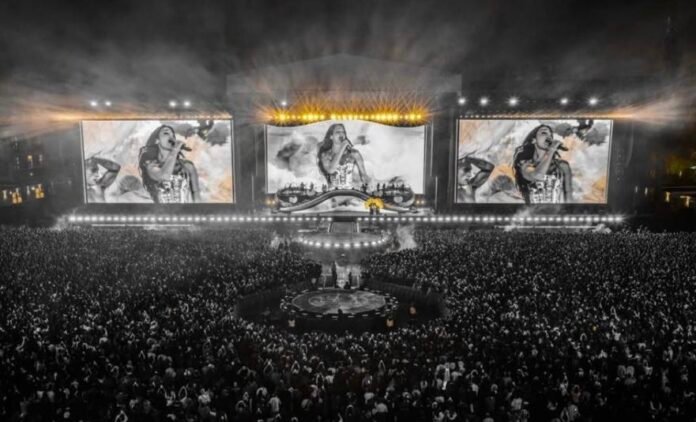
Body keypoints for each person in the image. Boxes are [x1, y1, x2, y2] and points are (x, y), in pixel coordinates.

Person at [138, 125, 201, 203]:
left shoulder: (187, 166)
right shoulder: (150, 164)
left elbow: (197, 197)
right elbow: (163, 176)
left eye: (173, 135)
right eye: (166, 133)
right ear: (157, 140)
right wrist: (174, 151)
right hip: (160, 210)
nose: (171, 137)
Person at [513, 124, 572, 204]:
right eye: (544, 133)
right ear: (533, 140)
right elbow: (537, 175)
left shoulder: (562, 166)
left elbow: (568, 197)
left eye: (551, 135)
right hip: (532, 211)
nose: (549, 137)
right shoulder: (525, 164)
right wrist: (551, 150)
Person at [317, 124, 370, 189]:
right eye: (338, 132)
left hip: (350, 191)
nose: (341, 134)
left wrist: (366, 185)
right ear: (331, 136)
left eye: (343, 132)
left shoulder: (354, 153)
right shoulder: (325, 155)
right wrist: (342, 147)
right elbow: (331, 170)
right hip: (332, 192)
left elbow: (364, 176)